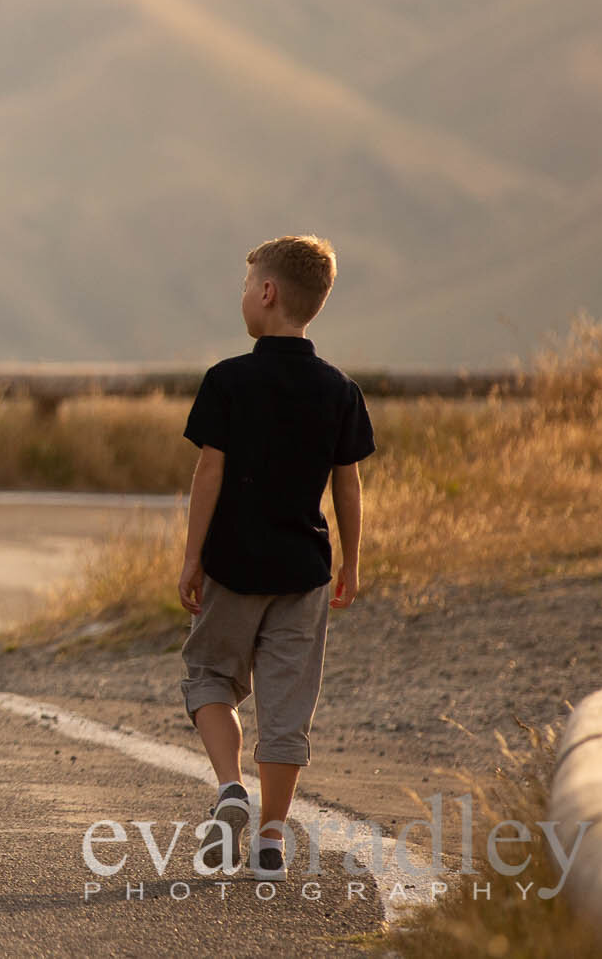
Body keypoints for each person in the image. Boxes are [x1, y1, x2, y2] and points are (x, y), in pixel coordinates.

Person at [177, 235, 372, 881]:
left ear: (267, 292)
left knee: (210, 675)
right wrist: (351, 561)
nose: (243, 296)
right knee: (287, 707)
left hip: (233, 563)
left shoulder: (227, 380)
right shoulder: (339, 389)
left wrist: (192, 557)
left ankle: (230, 785)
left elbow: (209, 472)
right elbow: (348, 484)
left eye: (246, 285)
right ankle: (270, 841)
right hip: (304, 571)